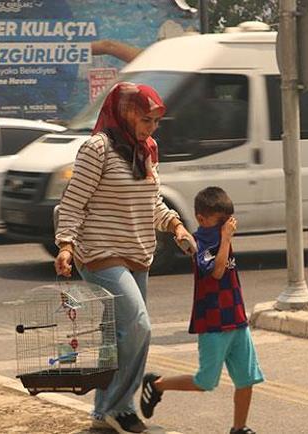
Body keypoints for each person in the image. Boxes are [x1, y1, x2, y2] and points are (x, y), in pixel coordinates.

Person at [54, 81, 195, 434]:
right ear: (126, 113)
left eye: (155, 122)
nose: (151, 128)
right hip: (100, 253)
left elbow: (152, 203)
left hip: (137, 254)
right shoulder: (96, 149)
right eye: (146, 120)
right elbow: (74, 202)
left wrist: (176, 227)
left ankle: (105, 414)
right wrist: (66, 245)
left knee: (116, 336)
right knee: (138, 325)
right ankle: (122, 408)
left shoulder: (147, 149)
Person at [139, 186, 264, 434]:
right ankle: (157, 384)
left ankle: (239, 427)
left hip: (236, 318)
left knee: (247, 378)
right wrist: (226, 239)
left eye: (227, 222)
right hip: (213, 323)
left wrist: (225, 237)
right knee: (205, 382)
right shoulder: (200, 243)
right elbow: (216, 273)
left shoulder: (220, 235)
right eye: (220, 223)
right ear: (201, 219)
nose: (226, 227)